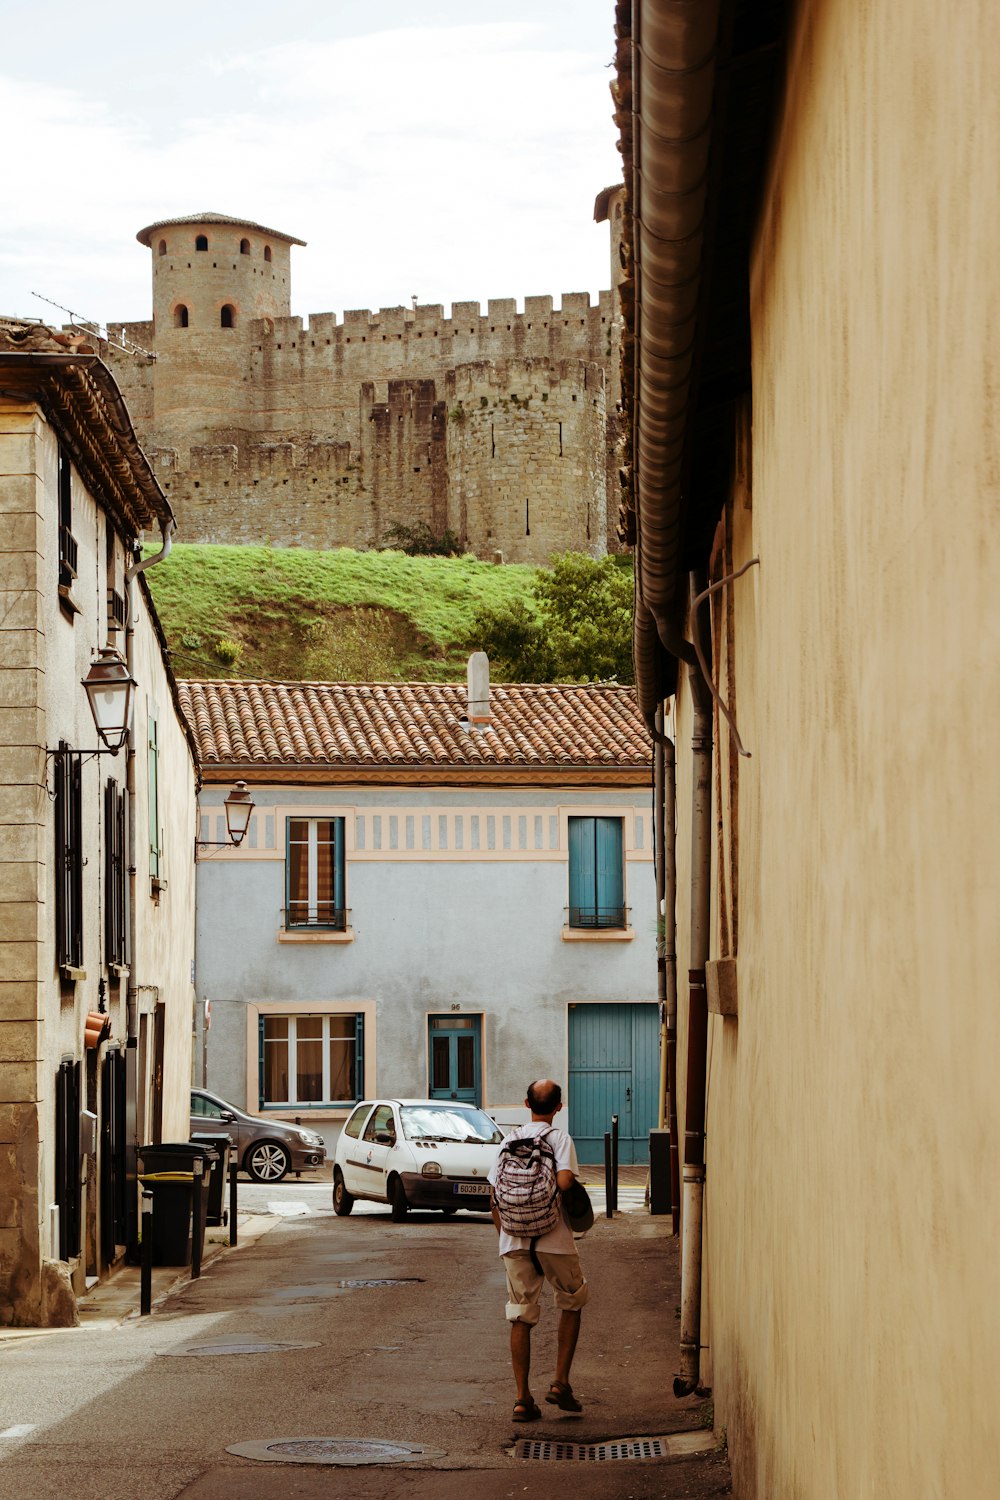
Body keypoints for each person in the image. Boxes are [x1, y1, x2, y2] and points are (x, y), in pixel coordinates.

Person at [488, 1078, 590, 1423]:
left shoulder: (509, 1139)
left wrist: (509, 1234)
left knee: (520, 1315)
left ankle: (521, 1399)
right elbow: (563, 1182)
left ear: (526, 1103)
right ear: (558, 1107)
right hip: (554, 1238)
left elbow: (494, 1195)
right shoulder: (560, 1138)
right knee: (572, 1301)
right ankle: (560, 1382)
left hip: (514, 1240)